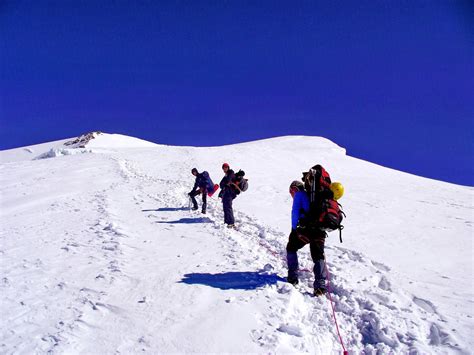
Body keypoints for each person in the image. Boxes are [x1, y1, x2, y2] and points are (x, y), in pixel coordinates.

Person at [287, 180, 328, 296]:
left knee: (291, 248)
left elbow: (295, 212)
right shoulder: (314, 196)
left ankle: (292, 277)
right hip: (320, 231)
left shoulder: (299, 194)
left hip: (305, 230)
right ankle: (320, 286)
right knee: (318, 256)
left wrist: (294, 229)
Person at [219, 163, 237, 228]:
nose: (224, 169)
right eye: (223, 168)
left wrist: (225, 184)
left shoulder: (231, 173)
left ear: (228, 167)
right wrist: (224, 184)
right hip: (226, 193)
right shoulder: (226, 175)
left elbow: (227, 181)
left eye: (226, 167)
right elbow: (220, 184)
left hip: (230, 193)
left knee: (228, 207)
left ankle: (231, 223)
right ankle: (226, 222)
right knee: (225, 207)